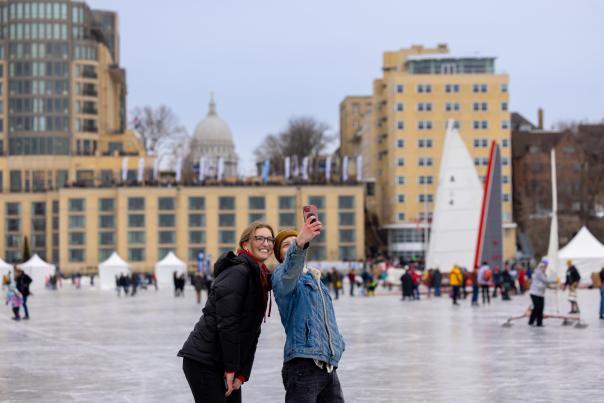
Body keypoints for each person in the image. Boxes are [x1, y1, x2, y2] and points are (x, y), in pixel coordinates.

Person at [178, 222, 275, 403]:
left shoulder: (258, 276)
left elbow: (251, 331)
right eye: (259, 238)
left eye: (270, 239)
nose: (266, 243)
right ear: (245, 244)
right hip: (204, 361)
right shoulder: (238, 271)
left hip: (224, 363)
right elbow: (227, 323)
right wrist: (232, 369)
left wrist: (242, 373)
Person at [272, 218, 346, 403]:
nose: (290, 247)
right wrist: (298, 244)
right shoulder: (282, 275)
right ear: (281, 254)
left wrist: (337, 343)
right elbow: (291, 270)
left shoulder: (314, 278)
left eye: (293, 242)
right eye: (285, 245)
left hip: (327, 365)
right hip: (302, 365)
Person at [528, 262, 556, 327]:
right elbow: (546, 281)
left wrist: (553, 287)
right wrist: (555, 280)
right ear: (540, 267)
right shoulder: (538, 273)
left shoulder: (543, 274)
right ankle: (534, 322)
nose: (544, 268)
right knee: (537, 308)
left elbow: (546, 284)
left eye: (544, 267)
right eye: (543, 267)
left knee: (539, 308)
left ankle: (536, 322)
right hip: (534, 293)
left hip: (540, 294)